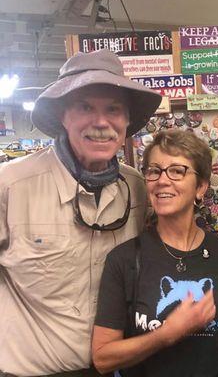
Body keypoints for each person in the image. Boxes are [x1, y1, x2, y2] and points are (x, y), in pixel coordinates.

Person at [0, 48, 161, 376]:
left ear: (127, 120)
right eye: (85, 106)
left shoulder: (137, 188)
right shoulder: (10, 185)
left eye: (113, 109)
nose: (101, 122)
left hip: (113, 368)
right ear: (63, 115)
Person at [92, 129, 218, 377]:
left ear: (201, 187)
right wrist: (167, 334)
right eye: (154, 171)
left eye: (177, 170)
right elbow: (102, 358)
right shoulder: (124, 259)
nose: (162, 180)